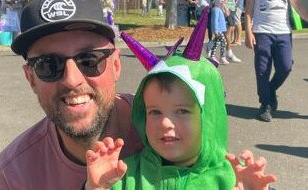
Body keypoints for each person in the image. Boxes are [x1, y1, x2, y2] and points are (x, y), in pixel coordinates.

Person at [85, 9, 276, 190]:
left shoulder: (231, 176)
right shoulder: (126, 174)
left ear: (208, 116)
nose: (166, 123)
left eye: (182, 111)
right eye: (155, 111)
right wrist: (97, 187)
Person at [0, 0, 143, 189]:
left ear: (116, 65)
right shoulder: (13, 178)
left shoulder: (177, 130)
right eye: (48, 64)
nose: (71, 80)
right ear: (31, 78)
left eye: (89, 59)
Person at [245, 0, 292, 122]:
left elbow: (300, 6)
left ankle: (270, 89)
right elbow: (248, 11)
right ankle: (266, 105)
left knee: (286, 66)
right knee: (262, 70)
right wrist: (248, 32)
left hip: (284, 32)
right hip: (262, 32)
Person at [209, 0, 230, 65]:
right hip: (218, 30)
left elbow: (227, 14)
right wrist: (215, 31)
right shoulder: (216, 10)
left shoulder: (219, 9)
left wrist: (225, 6)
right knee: (223, 42)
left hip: (220, 30)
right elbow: (214, 21)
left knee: (216, 43)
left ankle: (212, 56)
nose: (223, 2)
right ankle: (222, 57)